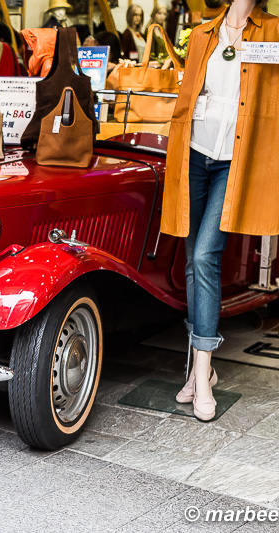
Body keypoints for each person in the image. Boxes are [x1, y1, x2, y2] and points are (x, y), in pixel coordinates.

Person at [161, 0, 279, 421]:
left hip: (235, 161)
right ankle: (198, 374)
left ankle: (204, 368)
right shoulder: (201, 34)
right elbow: (188, 95)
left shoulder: (272, 32)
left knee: (206, 255)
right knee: (194, 263)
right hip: (195, 155)